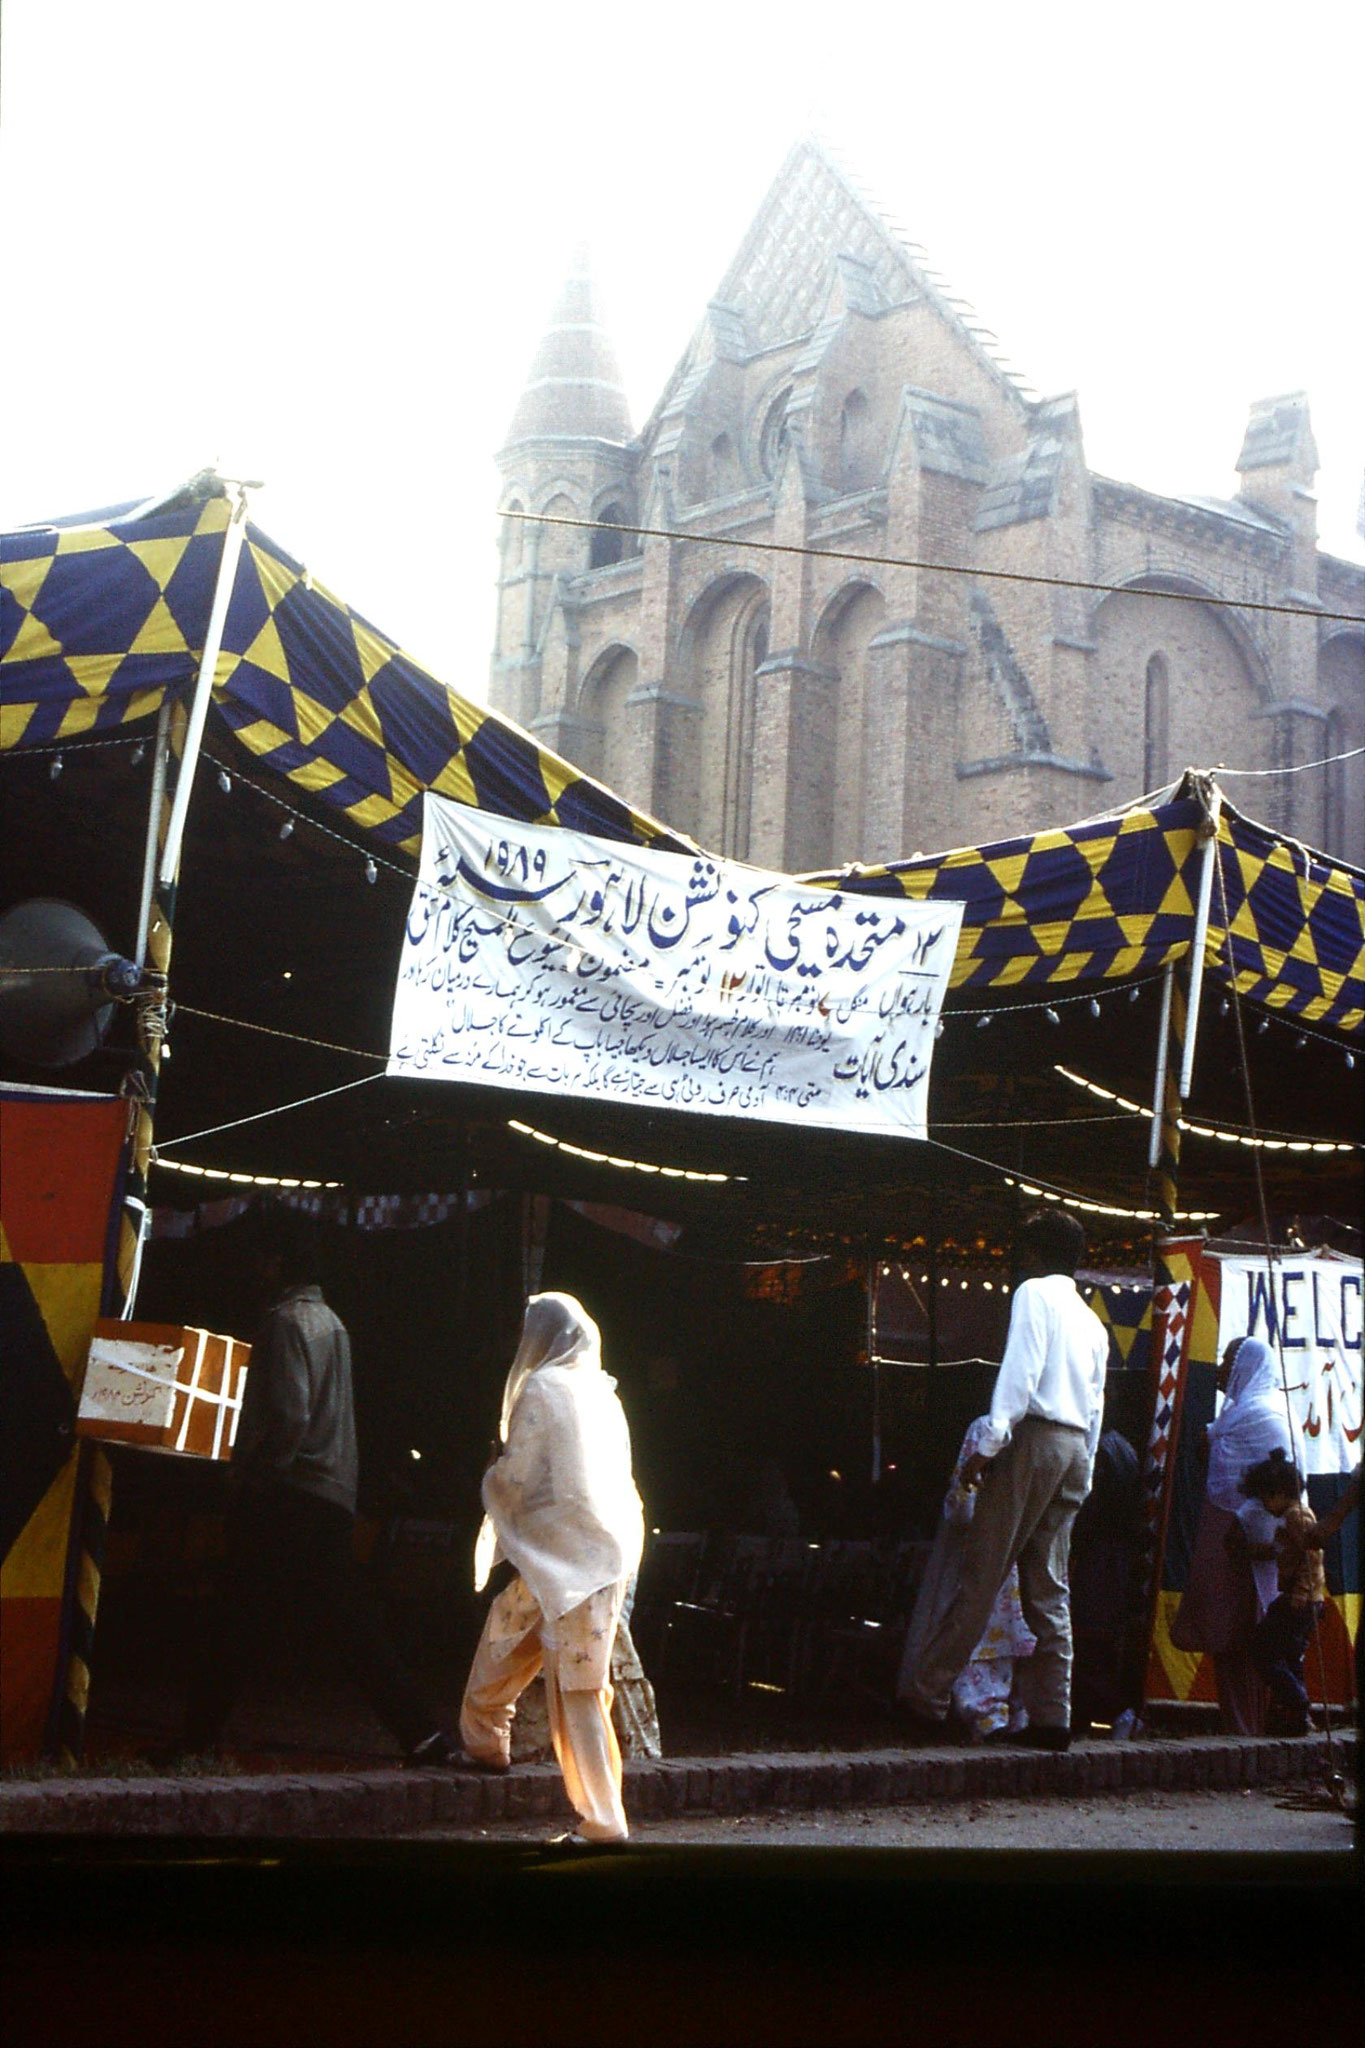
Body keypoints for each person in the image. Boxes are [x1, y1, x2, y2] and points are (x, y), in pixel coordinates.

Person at [183, 1205, 451, 1763]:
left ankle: (194, 1739)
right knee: (340, 1623)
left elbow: (289, 1417)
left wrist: (251, 1474)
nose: (253, 1271)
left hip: (289, 1497)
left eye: (259, 1261)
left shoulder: (283, 1323)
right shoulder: (331, 1323)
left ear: (275, 1263)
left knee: (238, 1618)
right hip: (329, 1495)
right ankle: (421, 1732)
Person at [899, 1209, 1108, 1752]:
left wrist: (989, 1444)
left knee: (982, 1574)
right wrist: (1082, 1465)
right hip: (1075, 1446)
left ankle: (928, 1697)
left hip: (1033, 1438)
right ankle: (1052, 1716)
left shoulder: (1034, 1295)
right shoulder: (1092, 1321)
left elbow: (1020, 1374)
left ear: (1035, 1254)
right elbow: (1096, 1402)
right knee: (1049, 1586)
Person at [459, 1292, 644, 1845]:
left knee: (579, 1688)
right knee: (508, 1629)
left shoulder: (541, 1389)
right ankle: (484, 1742)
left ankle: (604, 1822)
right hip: (588, 1555)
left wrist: (492, 1479)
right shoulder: (603, 1394)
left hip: (574, 1561)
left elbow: (518, 1475)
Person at [1169, 1335, 1300, 1735]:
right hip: (1231, 1545)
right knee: (1228, 1636)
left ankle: (1254, 1728)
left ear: (1247, 1366)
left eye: (1229, 1360)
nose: (1222, 1368)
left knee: (1256, 1639)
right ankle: (1238, 1726)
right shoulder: (1241, 1415)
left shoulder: (1263, 1416)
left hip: (1258, 1550)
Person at [897, 1416, 1037, 1739]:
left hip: (983, 1559)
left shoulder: (990, 1429)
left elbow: (961, 1506)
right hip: (1013, 1564)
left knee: (974, 1633)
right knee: (997, 1643)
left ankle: (975, 1717)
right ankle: (996, 1721)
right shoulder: (1040, 1438)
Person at [1236, 1448, 1329, 1735]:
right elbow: (1283, 1551)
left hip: (1298, 1600)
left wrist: (1301, 1591)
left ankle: (1296, 1700)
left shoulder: (1296, 1518)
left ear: (1279, 1494)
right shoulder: (1290, 1519)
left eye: (1266, 1497)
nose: (1264, 1504)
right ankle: (1299, 1717)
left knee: (1262, 1649)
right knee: (1290, 1656)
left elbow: (1311, 1557)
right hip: (1300, 1598)